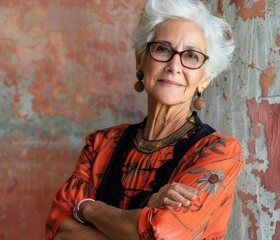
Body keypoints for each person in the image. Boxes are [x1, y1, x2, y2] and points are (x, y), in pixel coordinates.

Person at [45, 0, 244, 239]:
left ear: (205, 78)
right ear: (140, 60)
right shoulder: (101, 143)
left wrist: (87, 208)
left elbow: (158, 234)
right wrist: (145, 212)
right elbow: (59, 231)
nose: (174, 65)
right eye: (162, 49)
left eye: (191, 56)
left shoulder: (218, 152)